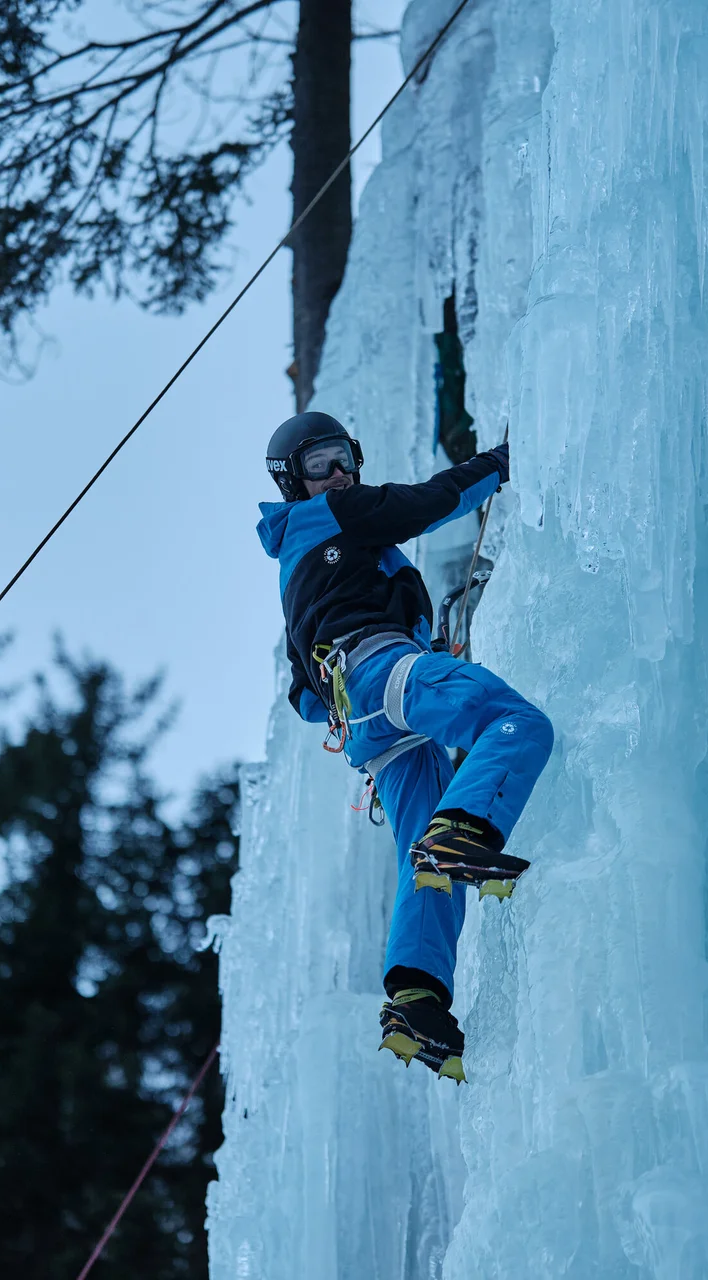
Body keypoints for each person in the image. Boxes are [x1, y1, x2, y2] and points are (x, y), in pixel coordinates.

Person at [256, 411, 554, 1083]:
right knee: (514, 722)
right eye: (319, 464)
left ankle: (416, 1000)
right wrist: (505, 460)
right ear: (292, 481)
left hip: (367, 728)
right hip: (382, 674)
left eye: (344, 458)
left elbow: (302, 698)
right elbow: (428, 501)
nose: (338, 473)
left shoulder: (293, 566)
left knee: (422, 862)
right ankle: (466, 827)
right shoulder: (337, 517)